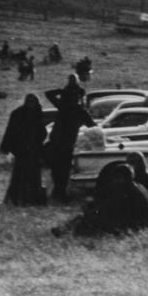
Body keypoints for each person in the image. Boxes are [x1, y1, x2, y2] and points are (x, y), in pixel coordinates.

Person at [63, 160, 148, 236]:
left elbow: (110, 208)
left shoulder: (126, 191)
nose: (114, 181)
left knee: (86, 222)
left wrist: (91, 211)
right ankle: (65, 230)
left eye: (116, 178)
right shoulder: (138, 187)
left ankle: (65, 232)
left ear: (122, 178)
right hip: (140, 224)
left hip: (133, 227)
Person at [44, 74, 95, 202]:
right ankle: (60, 193)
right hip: (66, 143)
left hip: (58, 142)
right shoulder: (78, 110)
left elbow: (49, 94)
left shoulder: (63, 106)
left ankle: (59, 193)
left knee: (58, 170)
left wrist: (62, 90)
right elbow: (92, 126)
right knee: (63, 170)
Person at [0, 93, 47, 205]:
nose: (31, 104)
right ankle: (17, 200)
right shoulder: (18, 114)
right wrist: (8, 147)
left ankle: (31, 200)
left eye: (32, 101)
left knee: (33, 176)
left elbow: (42, 131)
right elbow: (11, 131)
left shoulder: (37, 113)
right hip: (22, 149)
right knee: (20, 176)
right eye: (29, 101)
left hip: (33, 149)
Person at [125, 150, 148, 223]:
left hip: (145, 218)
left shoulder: (147, 182)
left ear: (140, 164)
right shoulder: (134, 179)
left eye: (132, 163)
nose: (130, 166)